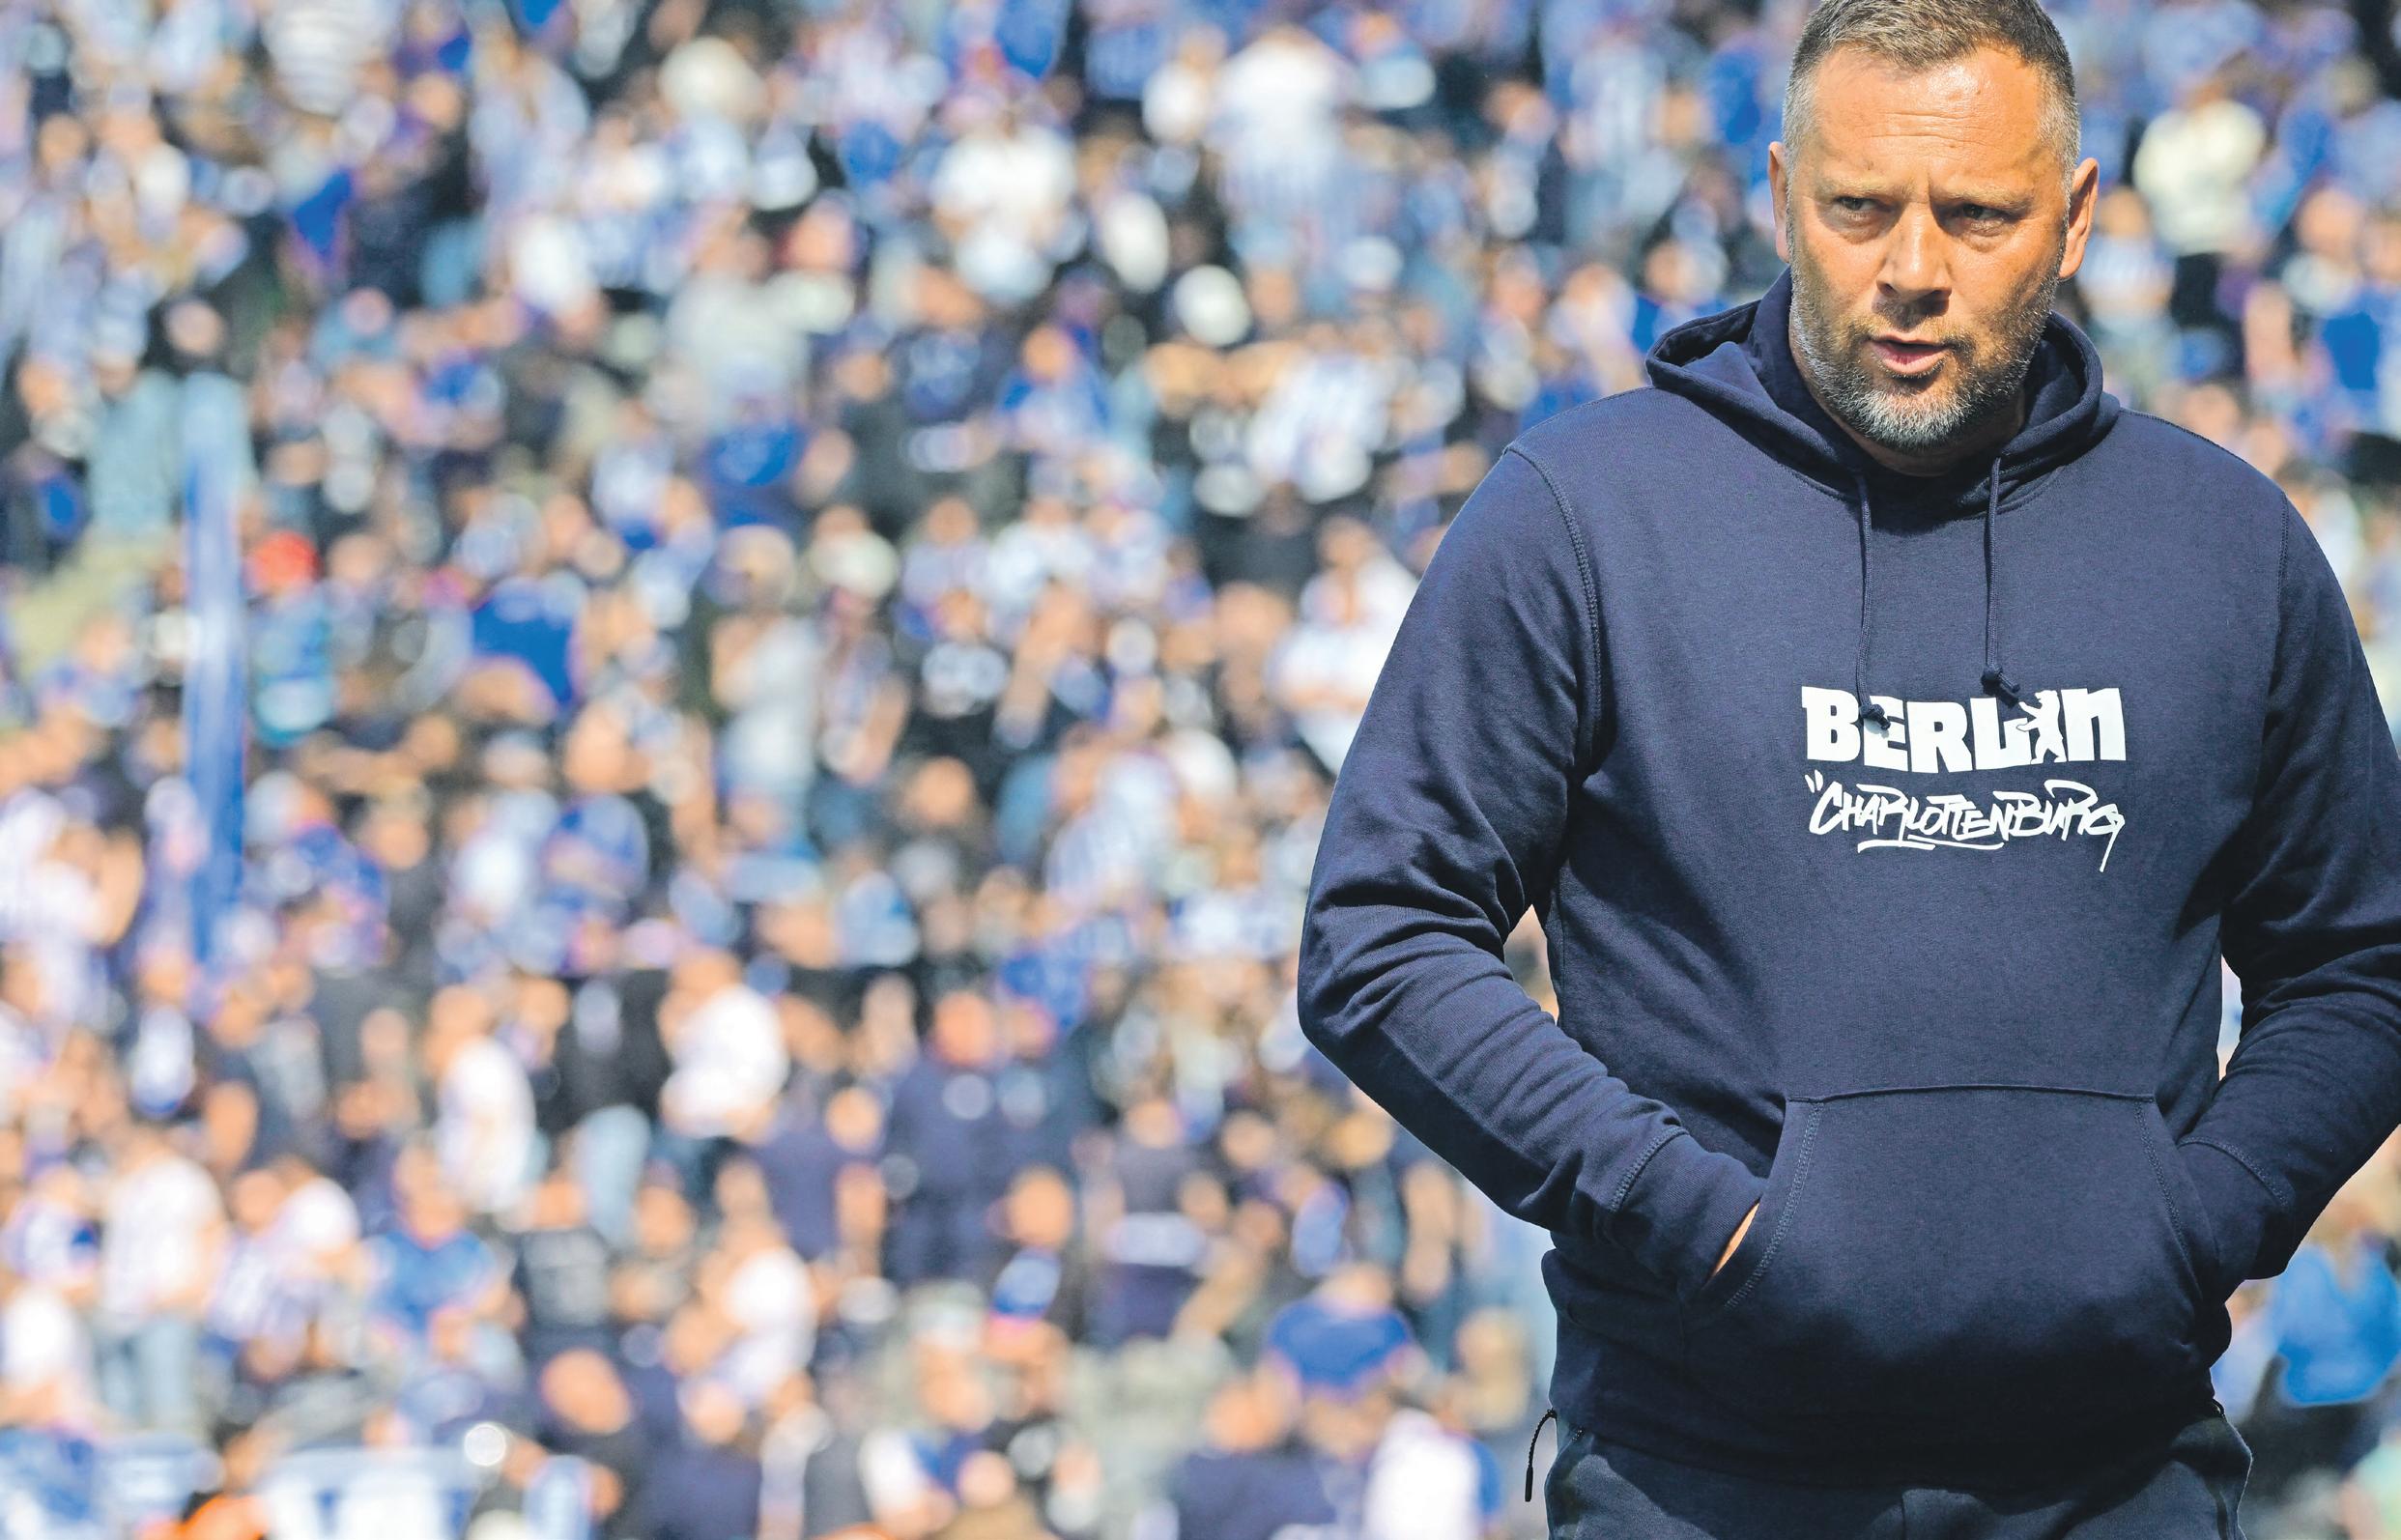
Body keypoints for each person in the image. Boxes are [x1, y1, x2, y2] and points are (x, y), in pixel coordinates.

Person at [1295, 0, 2401, 1532]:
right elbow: (1379, 936)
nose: (1913, 268)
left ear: (2074, 214)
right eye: (1859, 208)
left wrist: (2188, 1225)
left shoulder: (2222, 542)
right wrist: (1699, 1224)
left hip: (2116, 1476)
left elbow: (2358, 962)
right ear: (1778, 197)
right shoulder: (1582, 513)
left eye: (1977, 214)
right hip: (1695, 1477)